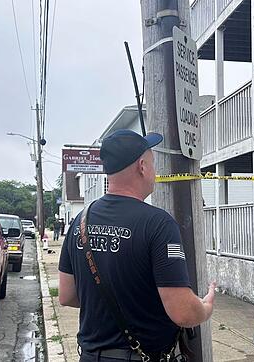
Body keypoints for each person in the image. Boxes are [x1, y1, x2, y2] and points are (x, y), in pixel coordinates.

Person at [58, 129, 216, 361]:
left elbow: (67, 295)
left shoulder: (80, 221)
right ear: (142, 166)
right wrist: (206, 306)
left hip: (91, 355)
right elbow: (183, 312)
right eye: (152, 163)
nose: (154, 170)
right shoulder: (158, 224)